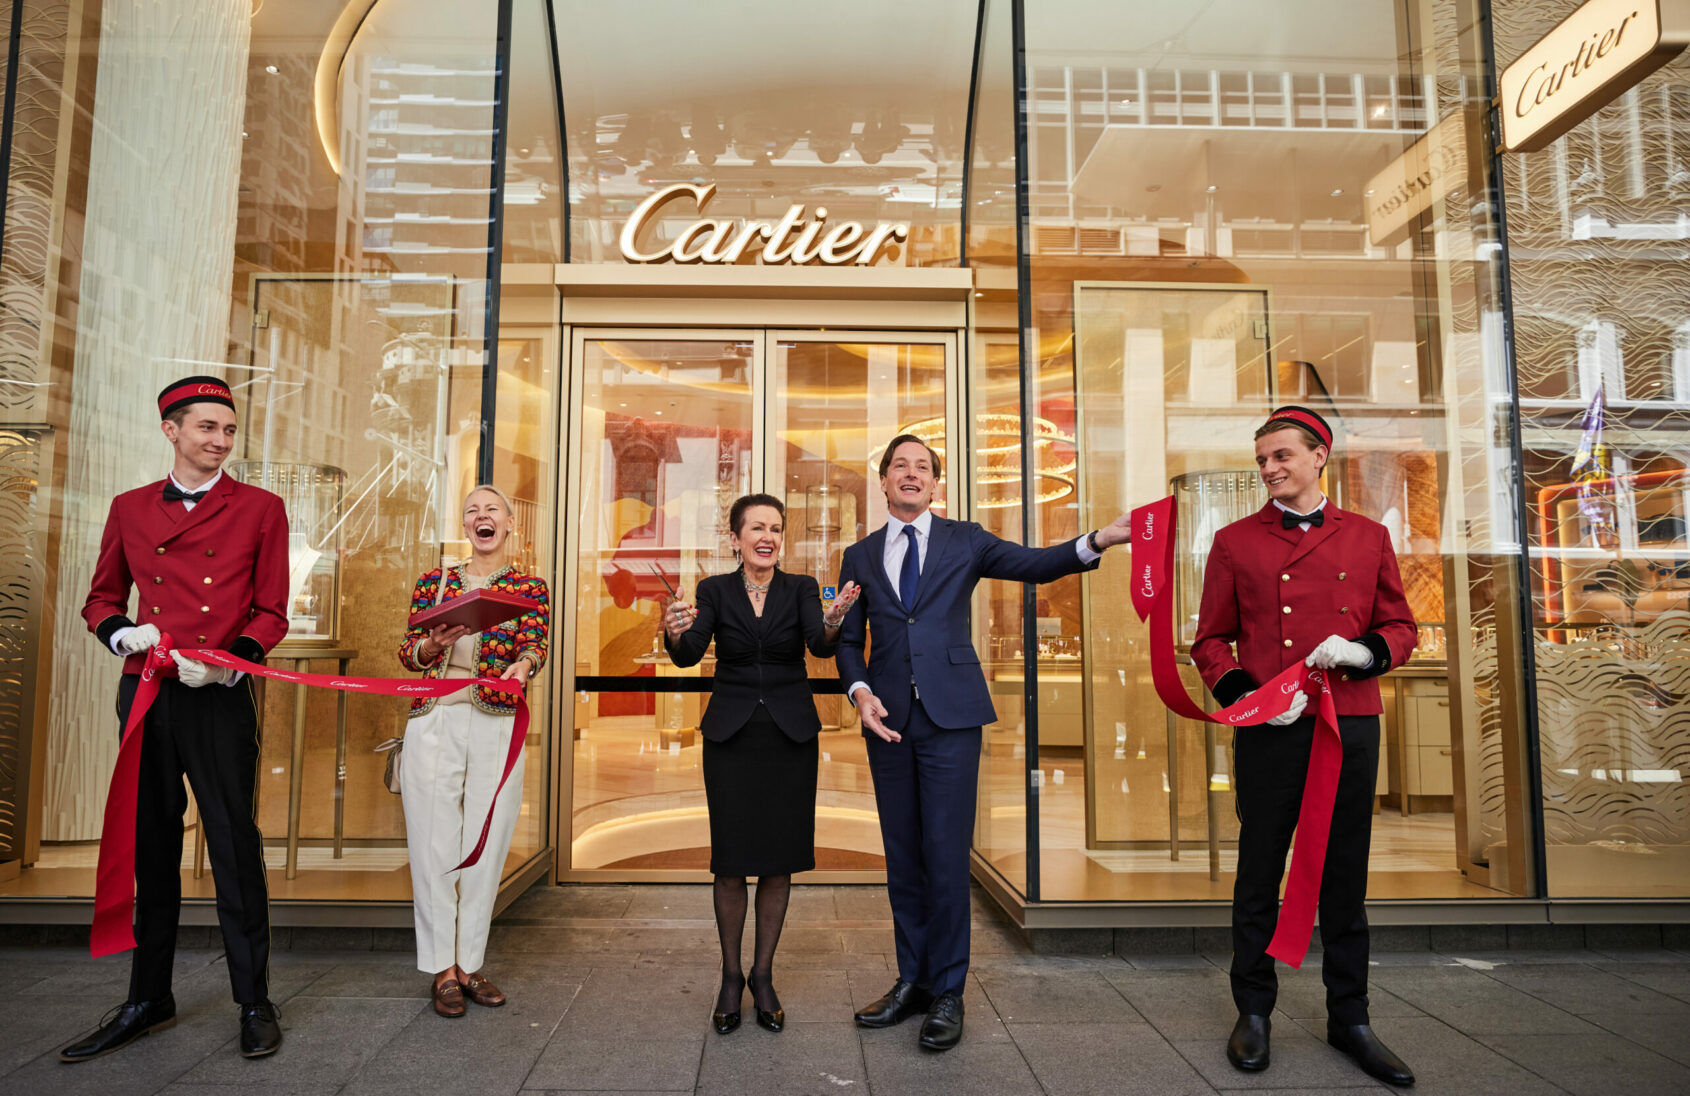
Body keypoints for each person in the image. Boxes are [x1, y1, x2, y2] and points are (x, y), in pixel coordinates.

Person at [837, 435, 1133, 1051]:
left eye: (923, 467)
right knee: (903, 857)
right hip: (888, 719)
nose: (911, 475)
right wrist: (859, 693)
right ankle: (911, 982)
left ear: (935, 484)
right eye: (900, 467)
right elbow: (846, 641)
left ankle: (948, 991)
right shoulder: (858, 555)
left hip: (951, 718)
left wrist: (1097, 540)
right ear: (884, 481)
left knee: (945, 856)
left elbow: (1033, 563)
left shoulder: (963, 539)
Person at [1191, 405, 1417, 1087]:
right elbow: (1208, 642)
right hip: (1273, 728)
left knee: (1344, 875)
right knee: (1260, 871)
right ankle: (1253, 1011)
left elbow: (1402, 627)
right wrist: (1252, 699)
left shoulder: (1370, 536)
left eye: (1281, 456)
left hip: (1349, 723)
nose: (1268, 469)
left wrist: (1363, 650)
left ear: (1320, 456)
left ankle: (1351, 1018)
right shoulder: (1235, 541)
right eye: (1261, 459)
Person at [66, 376, 290, 1062]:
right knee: (151, 847)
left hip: (217, 694)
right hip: (146, 694)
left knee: (231, 845)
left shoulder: (260, 507)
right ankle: (147, 997)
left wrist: (230, 663)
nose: (220, 441)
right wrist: (121, 635)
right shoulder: (130, 508)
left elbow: (271, 612)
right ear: (171, 430)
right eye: (206, 428)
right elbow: (101, 598)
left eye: (228, 429)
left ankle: (254, 1000)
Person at [661, 493, 861, 1036]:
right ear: (735, 538)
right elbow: (687, 654)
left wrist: (835, 622)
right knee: (730, 860)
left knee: (779, 859)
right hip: (730, 735)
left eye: (775, 528)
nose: (767, 536)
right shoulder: (713, 590)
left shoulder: (798, 588)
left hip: (790, 735)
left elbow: (818, 647)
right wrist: (675, 628)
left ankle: (763, 975)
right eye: (756, 528)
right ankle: (730, 978)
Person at [397, 484, 550, 1018]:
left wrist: (524, 666)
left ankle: (470, 963)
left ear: (510, 525)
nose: (482, 517)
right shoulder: (434, 582)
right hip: (435, 716)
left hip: (497, 719)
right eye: (472, 511)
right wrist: (431, 646)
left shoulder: (530, 585)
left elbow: (535, 642)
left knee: (487, 843)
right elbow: (408, 652)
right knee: (434, 842)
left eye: (492, 511)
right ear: (464, 525)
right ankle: (441, 968)